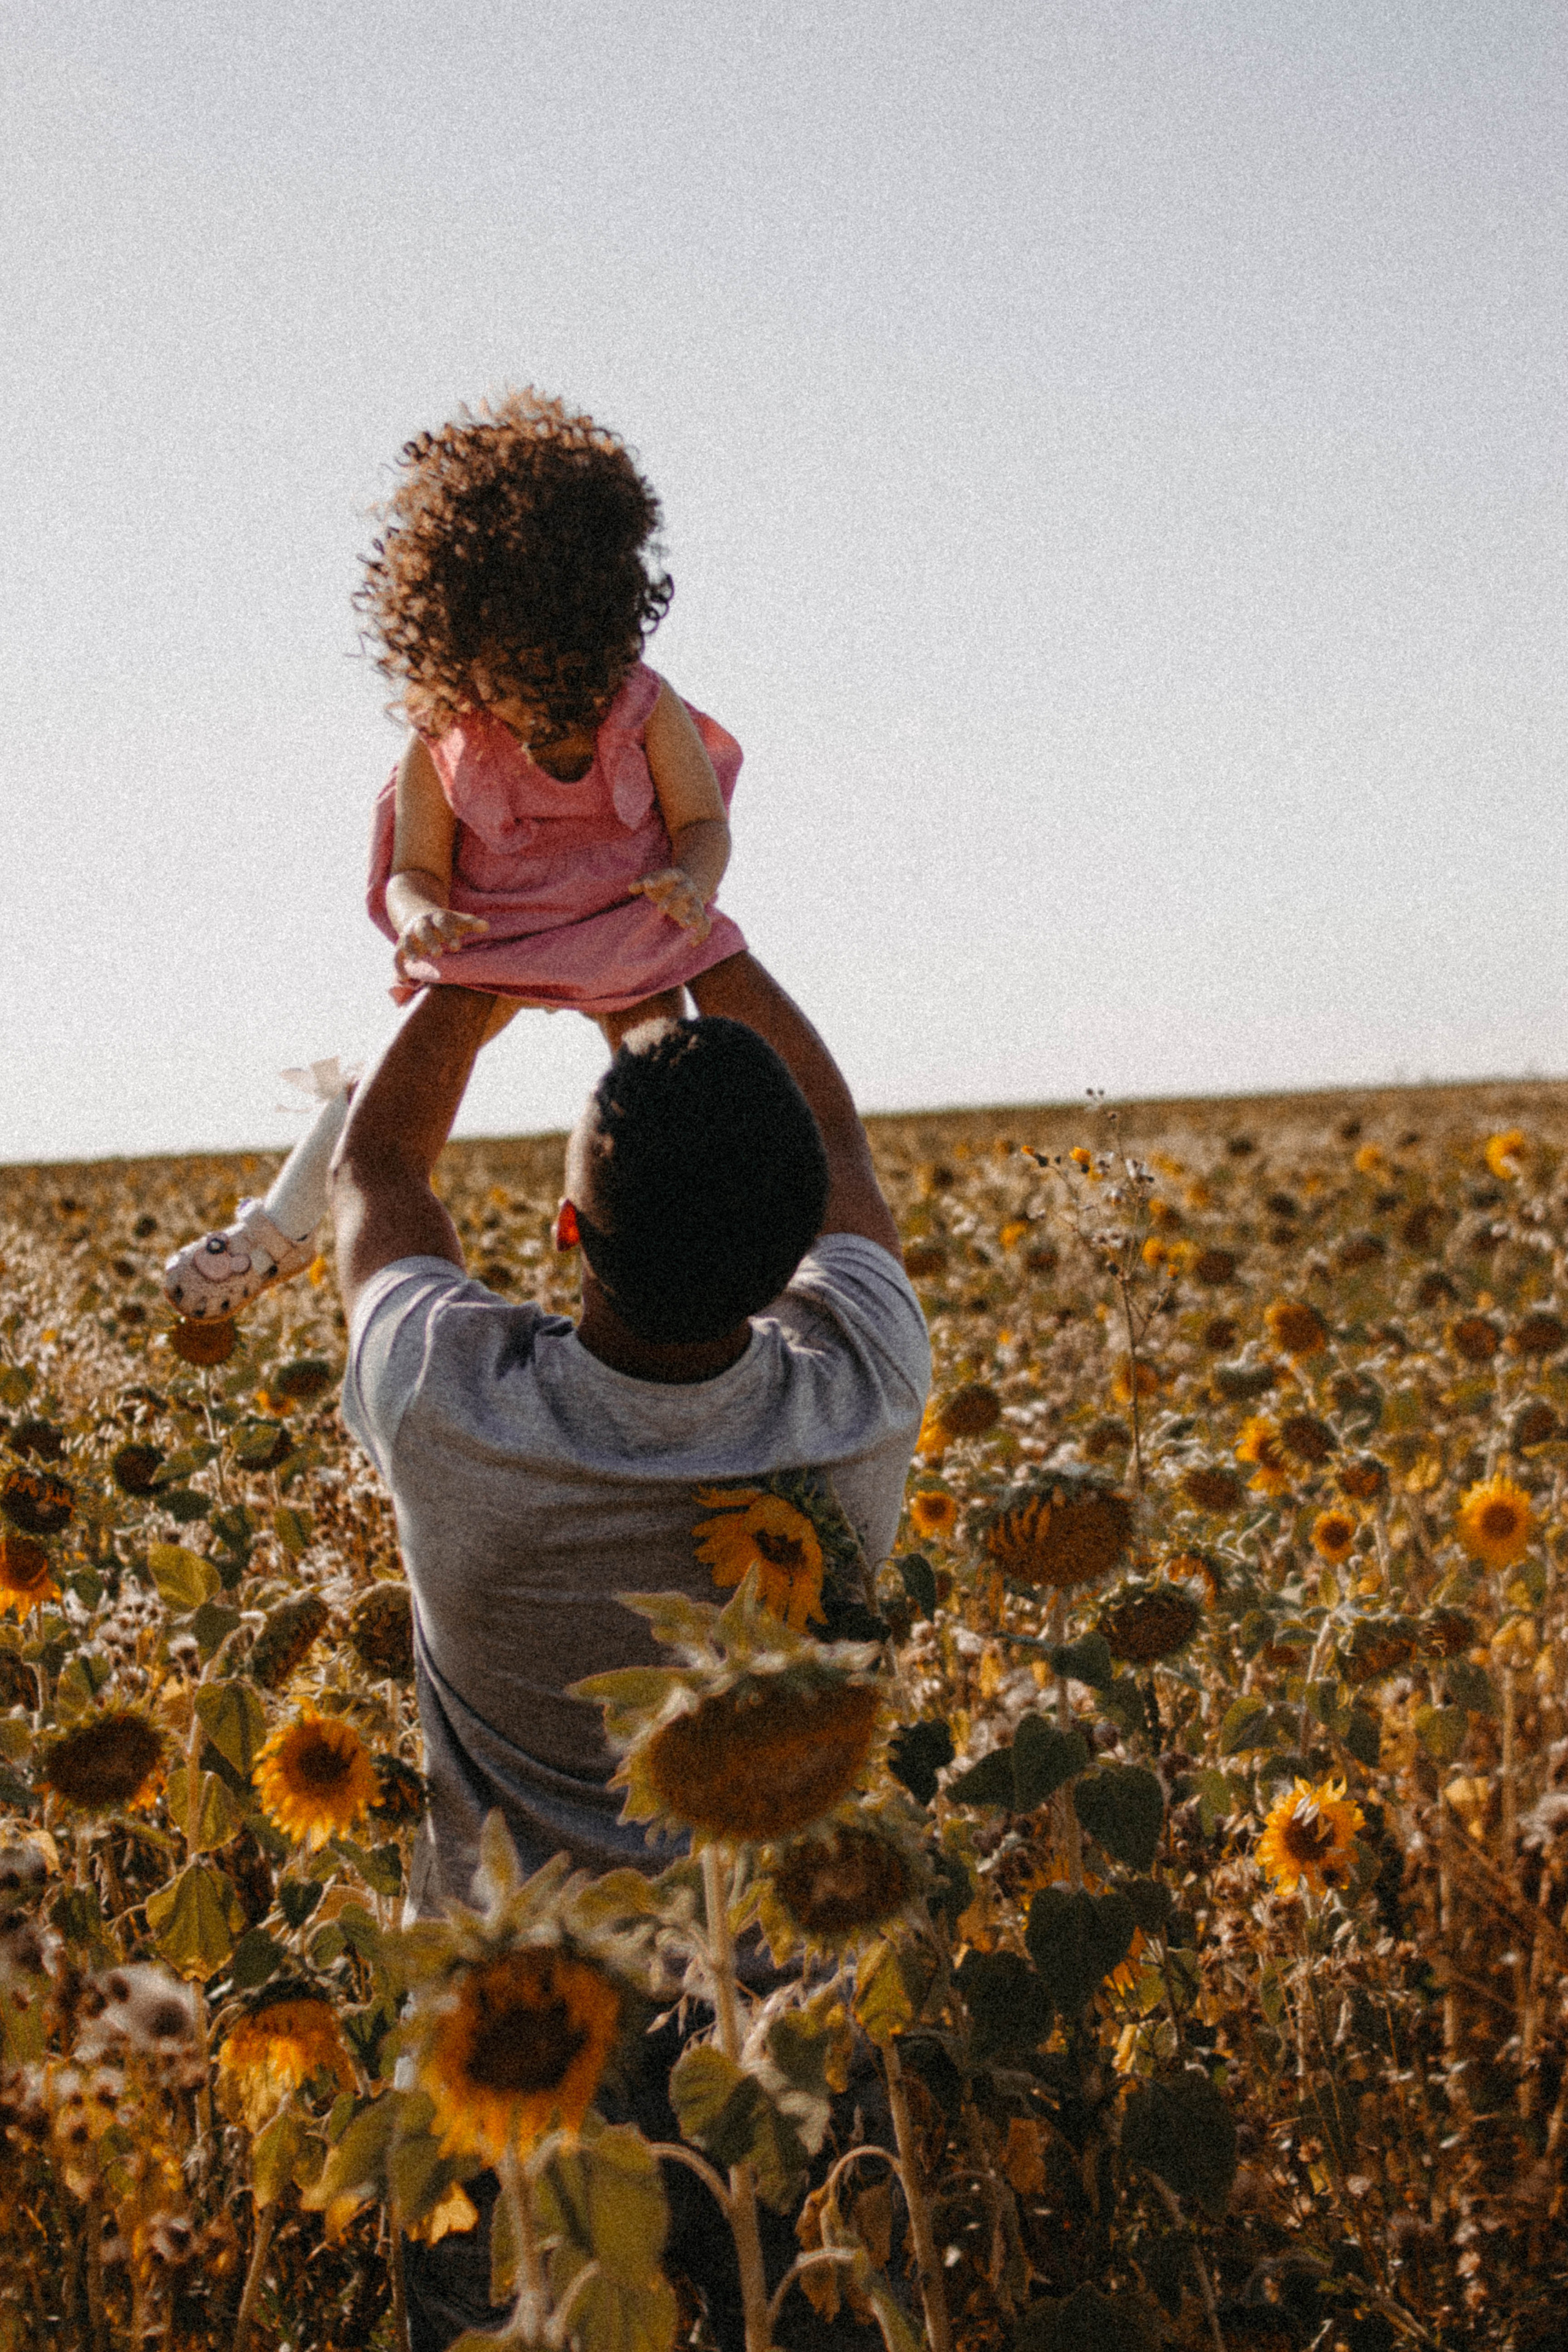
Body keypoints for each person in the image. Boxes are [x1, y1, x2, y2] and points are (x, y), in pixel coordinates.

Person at [327, 957, 930, 2349]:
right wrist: (674, 950)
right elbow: (834, 1147)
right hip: (780, 2040)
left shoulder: (447, 1398)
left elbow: (378, 1172)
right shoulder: (860, 1391)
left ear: (562, 1231)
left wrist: (480, 969)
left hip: (516, 2055)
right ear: (795, 1258)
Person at [162, 386, 747, 1320]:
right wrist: (418, 917)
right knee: (392, 1089)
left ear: (603, 626)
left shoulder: (643, 705)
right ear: (457, 646)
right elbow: (414, 869)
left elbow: (703, 822)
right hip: (493, 927)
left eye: (563, 677)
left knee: (669, 1085)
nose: (538, 708)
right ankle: (277, 1229)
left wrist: (693, 881)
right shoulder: (445, 736)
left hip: (626, 918)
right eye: (511, 679)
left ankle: (659, 1246)